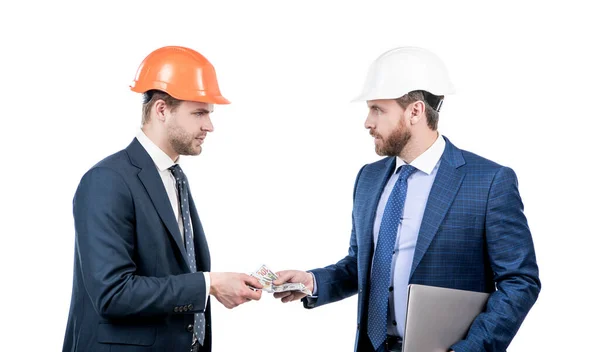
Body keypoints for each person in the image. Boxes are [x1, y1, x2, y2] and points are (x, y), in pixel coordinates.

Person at [273, 46, 541, 352]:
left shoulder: (488, 182)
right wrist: (312, 282)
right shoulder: (368, 178)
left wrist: (471, 349)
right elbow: (362, 264)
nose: (367, 122)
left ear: (415, 111)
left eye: (378, 109)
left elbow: (520, 282)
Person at [62, 46, 263, 352]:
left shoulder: (174, 177)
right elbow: (112, 293)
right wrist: (208, 284)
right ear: (161, 110)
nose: (209, 125)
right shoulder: (107, 181)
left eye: (209, 113)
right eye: (199, 112)